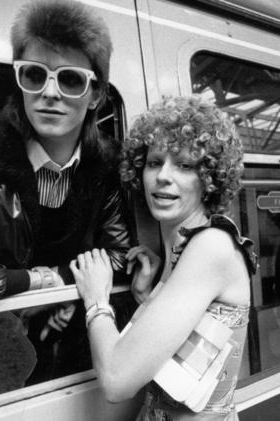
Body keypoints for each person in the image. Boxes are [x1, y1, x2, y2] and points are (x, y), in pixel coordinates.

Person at [0, 0, 132, 396]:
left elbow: (121, 256)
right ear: (19, 81)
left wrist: (73, 293)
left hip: (71, 359)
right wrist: (45, 282)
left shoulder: (105, 168)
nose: (49, 93)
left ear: (95, 95)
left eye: (70, 79)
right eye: (34, 75)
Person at [70, 96, 257, 421]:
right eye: (154, 162)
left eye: (184, 165)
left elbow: (117, 381)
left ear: (209, 179)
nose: (163, 176)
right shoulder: (183, 252)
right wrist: (147, 295)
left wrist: (97, 300)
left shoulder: (211, 247)